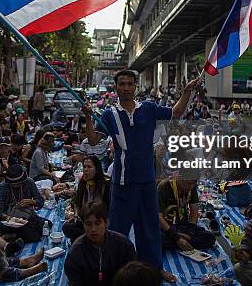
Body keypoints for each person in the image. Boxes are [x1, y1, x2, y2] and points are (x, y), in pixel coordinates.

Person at [83, 69, 199, 283]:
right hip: (123, 182)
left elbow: (175, 113)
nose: (126, 88)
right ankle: (115, 271)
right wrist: (89, 116)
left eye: (130, 84)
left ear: (135, 87)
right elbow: (91, 140)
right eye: (122, 84)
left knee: (150, 229)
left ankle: (154, 269)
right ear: (115, 87)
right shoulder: (110, 114)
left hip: (147, 180)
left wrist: (187, 92)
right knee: (118, 231)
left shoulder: (148, 108)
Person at [64, 203, 137, 286]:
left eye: (98, 223)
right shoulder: (76, 251)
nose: (93, 229)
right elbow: (74, 280)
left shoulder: (123, 245)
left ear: (106, 223)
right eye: (88, 224)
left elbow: (132, 277)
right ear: (83, 225)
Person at [157, 178, 215, 252]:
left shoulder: (191, 187)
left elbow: (194, 212)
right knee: (156, 239)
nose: (189, 187)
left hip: (182, 226)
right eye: (186, 183)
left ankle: (179, 243)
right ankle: (181, 243)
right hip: (166, 228)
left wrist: (190, 233)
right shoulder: (164, 186)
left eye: (193, 183)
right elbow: (159, 217)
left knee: (210, 237)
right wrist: (176, 237)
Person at [62, 156, 111, 243]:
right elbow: (77, 202)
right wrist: (76, 216)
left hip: (98, 221)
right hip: (85, 220)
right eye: (84, 167)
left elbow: (108, 209)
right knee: (67, 227)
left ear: (96, 169)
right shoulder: (83, 182)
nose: (86, 170)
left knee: (78, 235)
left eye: (89, 167)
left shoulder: (105, 185)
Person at [0, 165, 46, 242]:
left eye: (18, 183)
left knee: (47, 225)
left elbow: (40, 202)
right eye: (12, 183)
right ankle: (17, 234)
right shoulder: (3, 187)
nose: (15, 185)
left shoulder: (29, 182)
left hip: (27, 217)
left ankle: (14, 236)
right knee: (31, 232)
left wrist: (31, 202)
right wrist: (12, 219)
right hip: (9, 221)